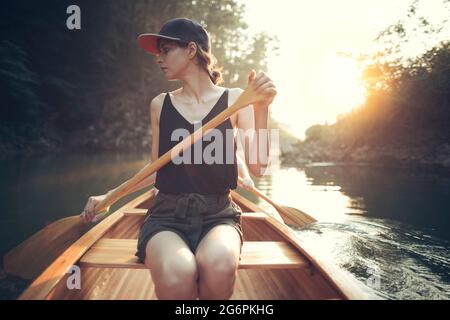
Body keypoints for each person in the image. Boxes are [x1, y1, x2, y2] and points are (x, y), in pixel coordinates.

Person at [81, 17, 276, 300]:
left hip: (219, 214)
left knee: (219, 264)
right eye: (158, 52)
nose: (159, 59)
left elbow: (257, 167)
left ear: (192, 50)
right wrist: (109, 195)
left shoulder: (236, 99)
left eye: (166, 50)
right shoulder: (160, 105)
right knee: (178, 270)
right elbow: (156, 170)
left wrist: (261, 109)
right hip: (166, 216)